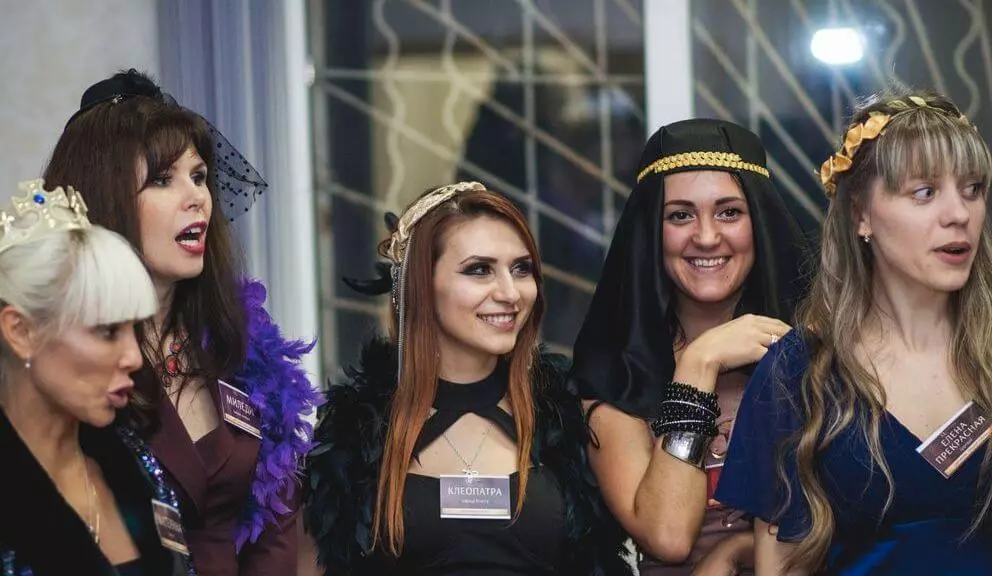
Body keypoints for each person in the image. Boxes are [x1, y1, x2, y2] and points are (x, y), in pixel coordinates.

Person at [42, 70, 321, 576]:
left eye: (199, 176)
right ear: (104, 201)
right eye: (162, 179)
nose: (196, 197)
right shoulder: (64, 356)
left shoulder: (240, 341)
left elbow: (276, 517)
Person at [716, 92, 992, 573]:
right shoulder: (798, 373)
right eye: (924, 192)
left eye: (973, 189)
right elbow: (783, 566)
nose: (959, 214)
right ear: (861, 214)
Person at [303, 182, 631, 575]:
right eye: (479, 270)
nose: (511, 293)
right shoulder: (355, 429)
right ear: (420, 285)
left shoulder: (570, 415)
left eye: (521, 269)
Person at [570, 119, 809, 574]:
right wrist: (700, 363)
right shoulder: (616, 375)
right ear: (651, 232)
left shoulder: (813, 347)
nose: (706, 236)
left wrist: (736, 551)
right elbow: (668, 536)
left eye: (729, 212)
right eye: (680, 215)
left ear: (759, 222)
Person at [0, 180, 194, 575]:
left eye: (134, 330)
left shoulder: (135, 465)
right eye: (107, 331)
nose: (133, 357)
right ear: (21, 332)